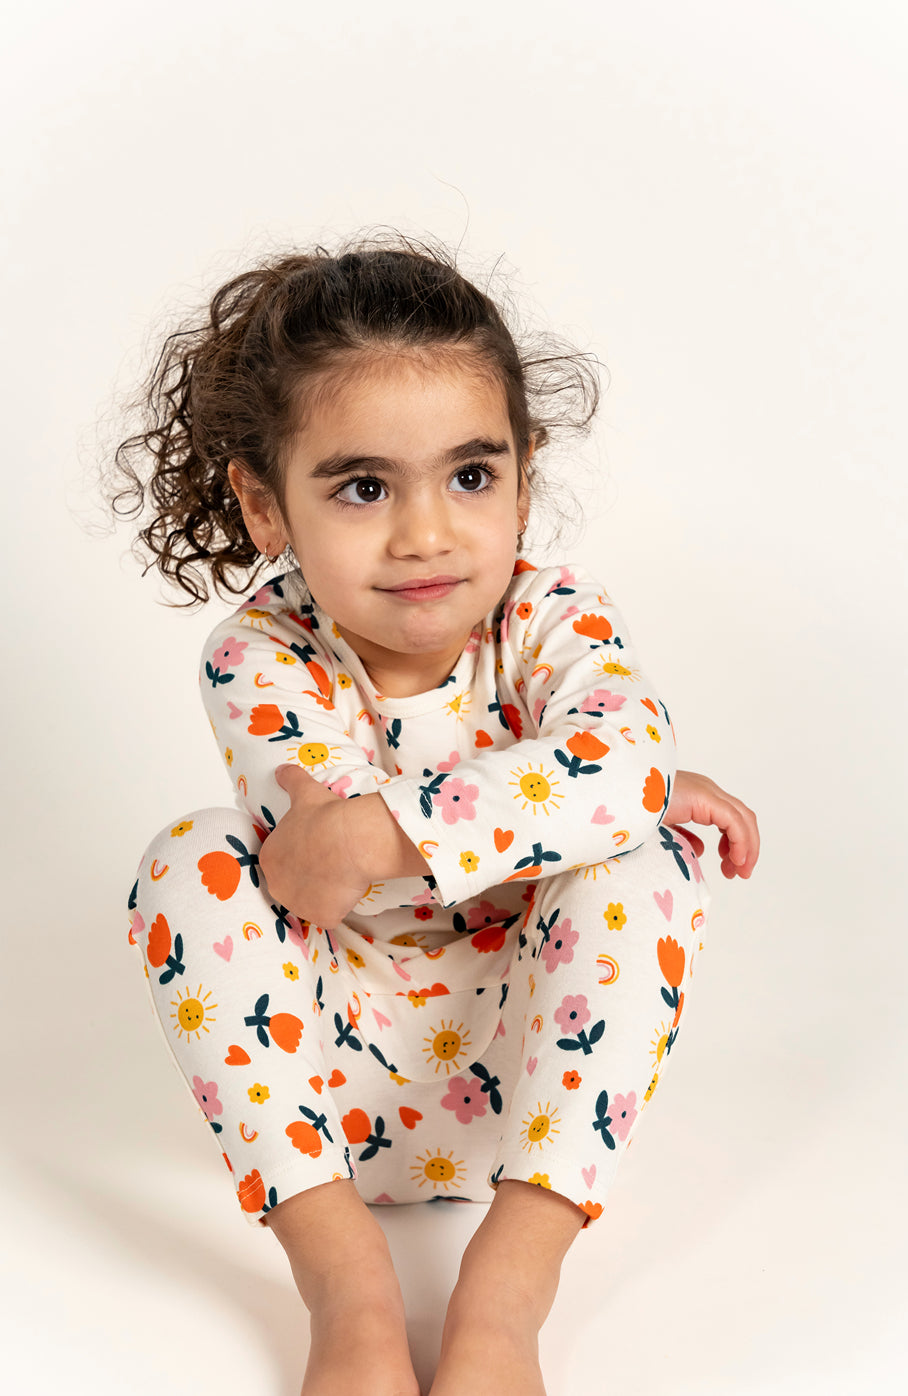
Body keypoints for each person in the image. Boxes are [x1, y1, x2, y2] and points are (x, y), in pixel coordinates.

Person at [110, 238, 759, 1396]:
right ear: (265, 505)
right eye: (364, 487)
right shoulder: (260, 656)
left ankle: (506, 1295)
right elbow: (322, 874)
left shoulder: (553, 613)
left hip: (529, 1079)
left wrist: (608, 792)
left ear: (522, 472)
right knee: (188, 860)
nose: (426, 533)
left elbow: (619, 757)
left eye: (470, 476)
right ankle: (347, 1290)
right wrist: (576, 791)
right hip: (325, 1082)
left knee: (643, 859)